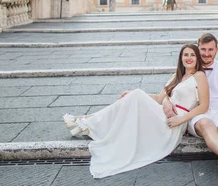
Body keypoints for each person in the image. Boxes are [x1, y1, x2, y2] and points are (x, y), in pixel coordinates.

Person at [62, 44, 209, 178]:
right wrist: (132, 94)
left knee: (137, 95)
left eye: (192, 55)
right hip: (162, 113)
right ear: (181, 58)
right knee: (132, 97)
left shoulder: (199, 76)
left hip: (176, 121)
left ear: (197, 58)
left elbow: (204, 106)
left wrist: (181, 119)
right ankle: (88, 122)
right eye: (185, 55)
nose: (189, 58)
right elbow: (158, 98)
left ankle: (87, 122)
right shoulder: (176, 77)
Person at [162, 33, 218, 186]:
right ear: (197, 48)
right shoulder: (189, 68)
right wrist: (166, 101)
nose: (206, 53)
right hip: (198, 113)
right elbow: (168, 92)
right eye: (203, 49)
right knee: (206, 124)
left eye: (210, 50)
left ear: (217, 50)